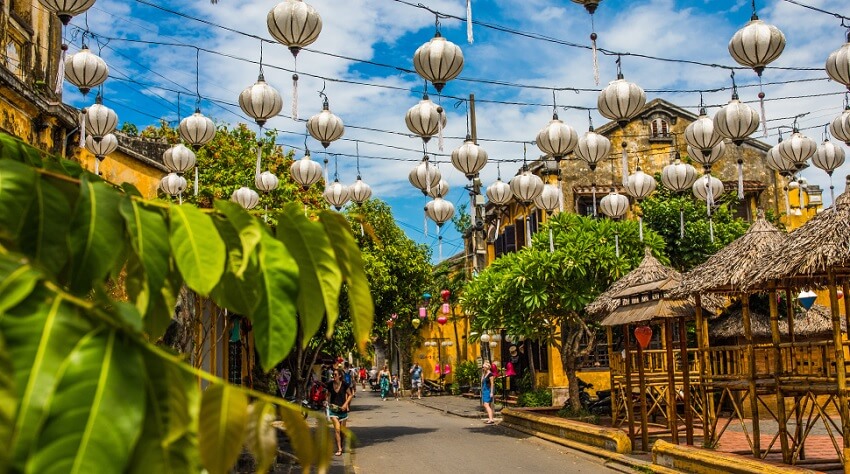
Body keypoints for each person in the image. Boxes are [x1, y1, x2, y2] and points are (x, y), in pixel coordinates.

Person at [325, 368, 354, 456]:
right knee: (337, 429)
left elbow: (350, 395)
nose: (333, 376)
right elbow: (327, 395)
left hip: (343, 410)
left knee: (342, 431)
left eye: (335, 375)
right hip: (333, 410)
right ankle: (339, 449)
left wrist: (346, 405)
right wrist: (326, 402)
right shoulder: (330, 384)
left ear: (340, 376)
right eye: (333, 375)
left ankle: (341, 443)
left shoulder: (345, 385)